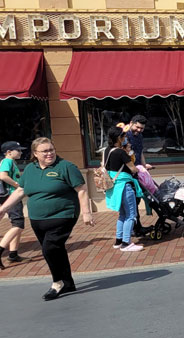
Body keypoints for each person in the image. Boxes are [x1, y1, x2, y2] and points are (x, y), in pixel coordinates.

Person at [0, 138, 93, 299]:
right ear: (35, 154)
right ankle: (69, 283)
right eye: (45, 151)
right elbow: (21, 190)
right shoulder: (30, 169)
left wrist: (86, 213)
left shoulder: (66, 167)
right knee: (57, 250)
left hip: (63, 215)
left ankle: (57, 283)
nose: (50, 153)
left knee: (48, 249)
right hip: (37, 219)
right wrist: (3, 208)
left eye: (51, 150)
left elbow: (82, 190)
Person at [102, 126, 145, 252]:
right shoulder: (120, 152)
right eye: (124, 136)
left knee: (122, 214)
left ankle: (118, 241)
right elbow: (133, 168)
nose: (126, 138)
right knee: (131, 214)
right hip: (124, 186)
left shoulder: (107, 150)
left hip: (113, 186)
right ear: (119, 138)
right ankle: (126, 243)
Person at [0, 141, 26, 267]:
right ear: (9, 152)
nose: (21, 152)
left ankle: (13, 254)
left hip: (13, 195)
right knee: (18, 225)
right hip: (12, 196)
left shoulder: (11, 162)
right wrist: (17, 185)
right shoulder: (7, 161)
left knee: (17, 224)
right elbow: (3, 176)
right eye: (18, 150)